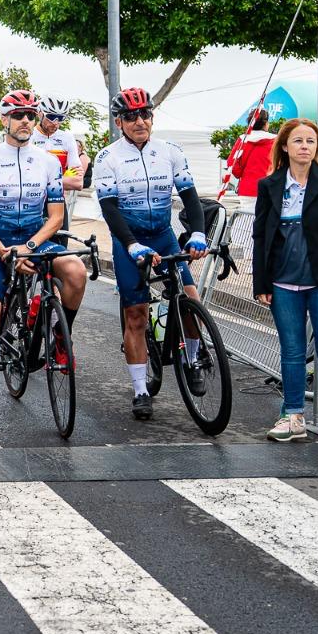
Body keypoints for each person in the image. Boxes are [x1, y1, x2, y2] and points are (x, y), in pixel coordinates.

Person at [0, 90, 86, 430]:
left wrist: (30, 246)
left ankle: (61, 339)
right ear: (5, 119)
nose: (26, 121)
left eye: (31, 115)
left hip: (37, 239)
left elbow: (56, 216)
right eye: (19, 115)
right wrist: (6, 250)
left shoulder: (48, 162)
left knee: (76, 272)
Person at [92, 86, 210, 421]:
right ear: (119, 122)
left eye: (145, 114)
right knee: (137, 315)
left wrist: (199, 233)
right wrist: (130, 244)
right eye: (131, 116)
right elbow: (110, 209)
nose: (140, 121)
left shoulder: (169, 151)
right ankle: (141, 390)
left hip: (162, 234)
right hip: (127, 237)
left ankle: (194, 359)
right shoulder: (107, 158)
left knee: (190, 297)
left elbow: (190, 197)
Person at [253, 118, 318, 452]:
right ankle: (293, 417)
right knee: (292, 351)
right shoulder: (270, 186)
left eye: (311, 141)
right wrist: (261, 281)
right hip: (283, 282)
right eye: (297, 141)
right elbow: (261, 236)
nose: (305, 147)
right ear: (284, 146)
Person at [218, 107, 276, 199]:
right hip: (270, 188)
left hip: (247, 189)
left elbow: (232, 163)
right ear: (265, 124)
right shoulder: (275, 140)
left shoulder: (243, 139)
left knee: (246, 213)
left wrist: (240, 174)